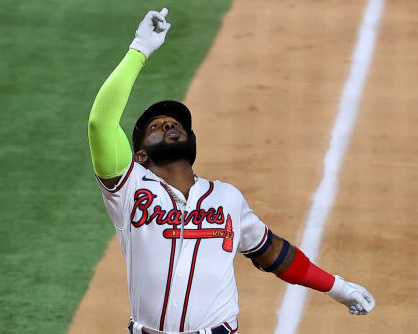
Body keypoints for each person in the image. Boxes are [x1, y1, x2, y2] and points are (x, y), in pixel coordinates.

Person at [88, 8, 376, 334]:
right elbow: (100, 122)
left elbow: (274, 254)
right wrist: (140, 49)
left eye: (175, 123)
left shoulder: (227, 198)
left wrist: (338, 288)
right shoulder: (129, 189)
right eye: (155, 126)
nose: (168, 123)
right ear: (139, 155)